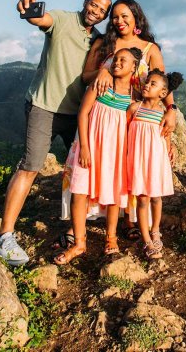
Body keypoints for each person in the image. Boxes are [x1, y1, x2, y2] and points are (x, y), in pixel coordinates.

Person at [0, 0, 112, 266]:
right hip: (44, 107)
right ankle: (5, 236)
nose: (96, 11)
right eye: (94, 4)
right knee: (31, 166)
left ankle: (75, 227)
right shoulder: (62, 19)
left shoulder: (99, 41)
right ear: (85, 3)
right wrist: (28, 12)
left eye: (102, 10)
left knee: (83, 169)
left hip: (77, 113)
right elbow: (40, 19)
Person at [56, 0, 178, 242]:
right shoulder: (104, 43)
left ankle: (128, 219)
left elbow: (161, 82)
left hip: (134, 118)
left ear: (136, 17)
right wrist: (104, 69)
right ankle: (79, 224)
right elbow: (85, 75)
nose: (119, 21)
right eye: (115, 16)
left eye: (125, 16)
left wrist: (171, 109)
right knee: (92, 170)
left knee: (123, 169)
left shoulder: (150, 49)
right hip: (103, 113)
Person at [54, 47, 143, 265]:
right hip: (91, 147)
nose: (117, 62)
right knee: (79, 191)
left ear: (134, 67)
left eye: (124, 60)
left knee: (114, 194)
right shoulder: (101, 84)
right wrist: (84, 146)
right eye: (115, 58)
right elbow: (83, 113)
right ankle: (79, 243)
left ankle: (111, 238)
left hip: (116, 152)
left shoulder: (134, 94)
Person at [127, 69, 184, 259]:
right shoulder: (134, 108)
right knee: (142, 199)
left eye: (153, 84)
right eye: (147, 82)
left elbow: (165, 136)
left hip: (156, 161)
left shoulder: (163, 113)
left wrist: (170, 148)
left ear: (162, 93)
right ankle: (147, 240)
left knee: (156, 198)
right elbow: (124, 133)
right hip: (138, 160)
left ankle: (155, 230)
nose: (147, 85)